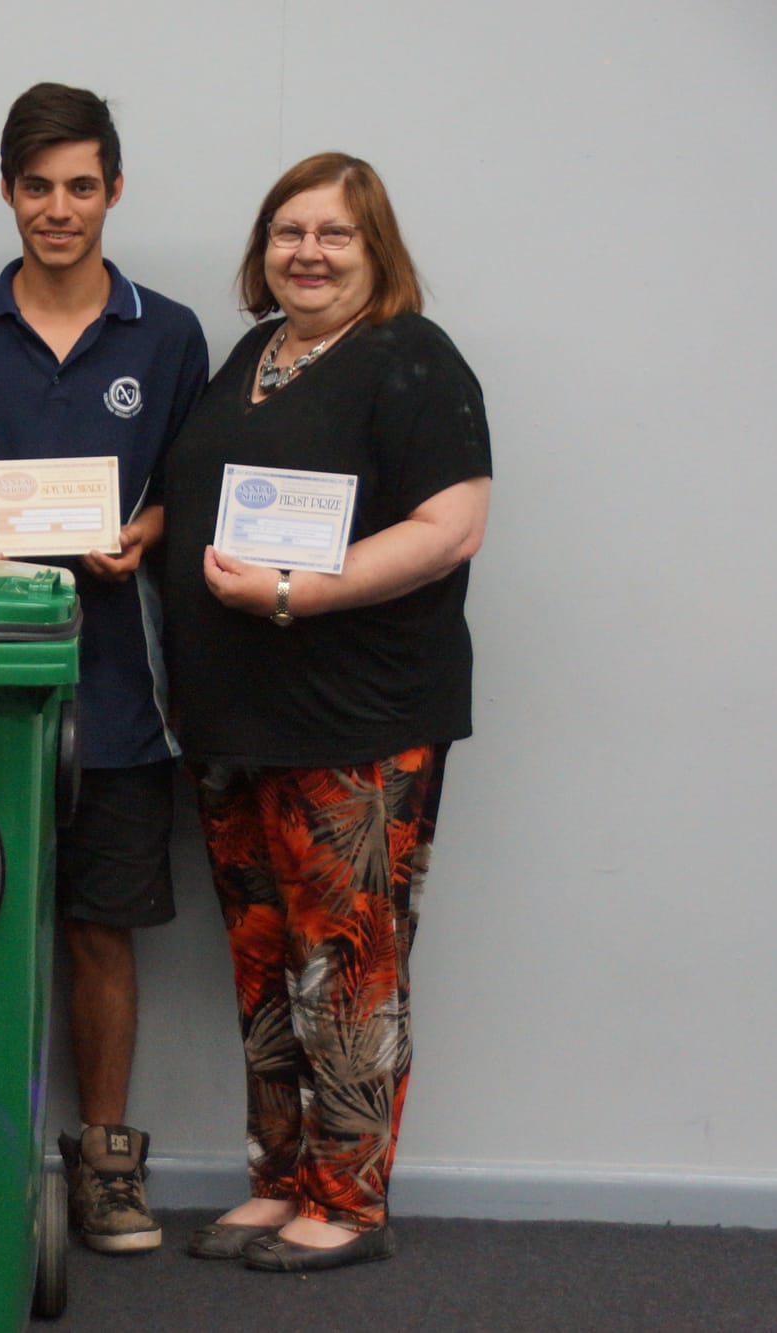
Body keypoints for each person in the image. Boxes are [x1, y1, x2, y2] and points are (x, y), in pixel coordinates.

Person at [161, 152, 491, 1272]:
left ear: (375, 250)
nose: (305, 251)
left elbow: (448, 525)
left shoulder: (411, 359)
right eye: (286, 231)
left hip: (353, 718)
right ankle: (279, 1174)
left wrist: (299, 590)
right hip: (234, 720)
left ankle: (347, 1201)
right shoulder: (254, 354)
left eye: (332, 235)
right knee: (261, 958)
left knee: (342, 960)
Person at [0, 83, 209, 1254]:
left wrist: (141, 534)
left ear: (113, 190)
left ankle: (102, 1165)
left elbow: (184, 496)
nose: (56, 208)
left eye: (79, 186)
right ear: (5, 191)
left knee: (99, 928)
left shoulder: (169, 333)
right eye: (35, 186)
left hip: (118, 689)